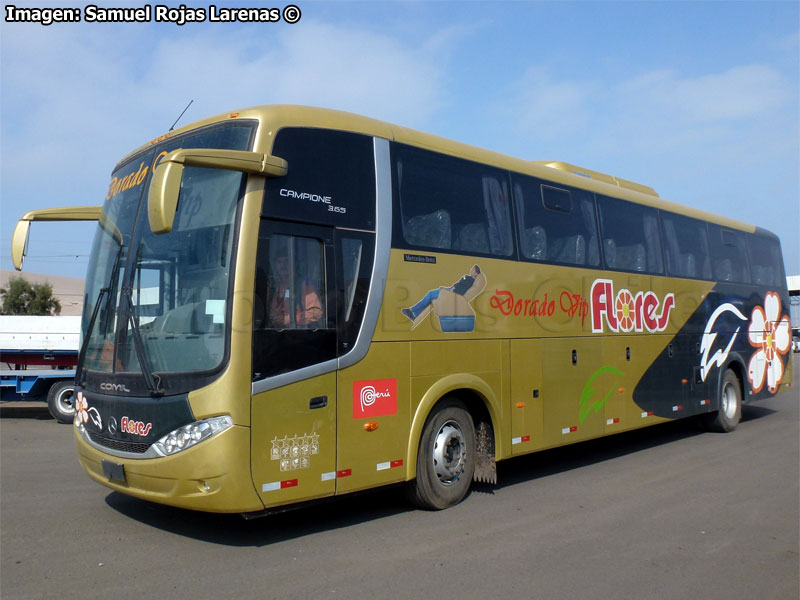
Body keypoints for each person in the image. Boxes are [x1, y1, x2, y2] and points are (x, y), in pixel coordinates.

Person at [402, 264, 481, 321]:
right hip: (450, 292)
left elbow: (460, 290)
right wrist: (448, 288)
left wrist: (449, 290)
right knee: (431, 299)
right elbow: (457, 286)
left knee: (430, 294)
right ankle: (414, 315)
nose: (471, 269)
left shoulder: (469, 280)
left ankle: (411, 310)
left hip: (451, 294)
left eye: (473, 269)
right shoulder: (469, 279)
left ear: (476, 273)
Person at [267, 253, 323, 327]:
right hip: (276, 333)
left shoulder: (303, 284)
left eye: (287, 261)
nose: (283, 266)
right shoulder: (274, 287)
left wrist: (288, 319)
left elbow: (315, 313)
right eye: (279, 262)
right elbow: (272, 315)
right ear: (275, 265)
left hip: (297, 334)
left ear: (294, 264)